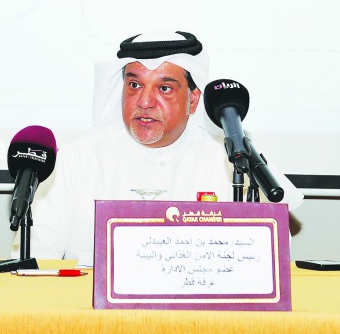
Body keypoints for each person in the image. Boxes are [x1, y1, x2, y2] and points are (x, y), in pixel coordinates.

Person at [29, 30, 303, 262]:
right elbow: (35, 261)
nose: (144, 101)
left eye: (164, 88)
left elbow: (275, 259)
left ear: (193, 100)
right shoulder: (76, 160)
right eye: (134, 85)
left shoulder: (232, 160)